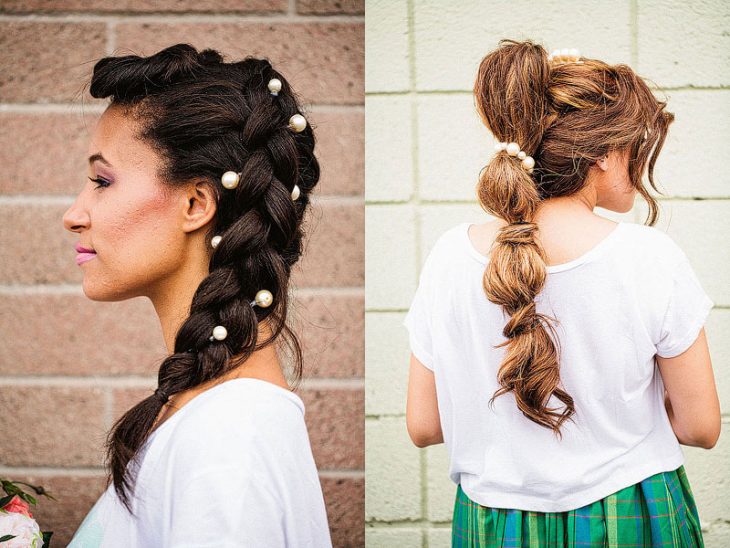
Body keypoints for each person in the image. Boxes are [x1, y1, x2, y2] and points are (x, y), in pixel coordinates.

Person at [404, 39, 720, 547]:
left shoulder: (448, 256)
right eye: (634, 147)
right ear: (600, 153)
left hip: (494, 522)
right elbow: (701, 426)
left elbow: (423, 425)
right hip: (633, 513)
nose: (639, 164)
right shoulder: (650, 257)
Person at [63, 43, 332, 547]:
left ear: (195, 202)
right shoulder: (202, 415)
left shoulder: (229, 442)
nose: (74, 214)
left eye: (102, 180)